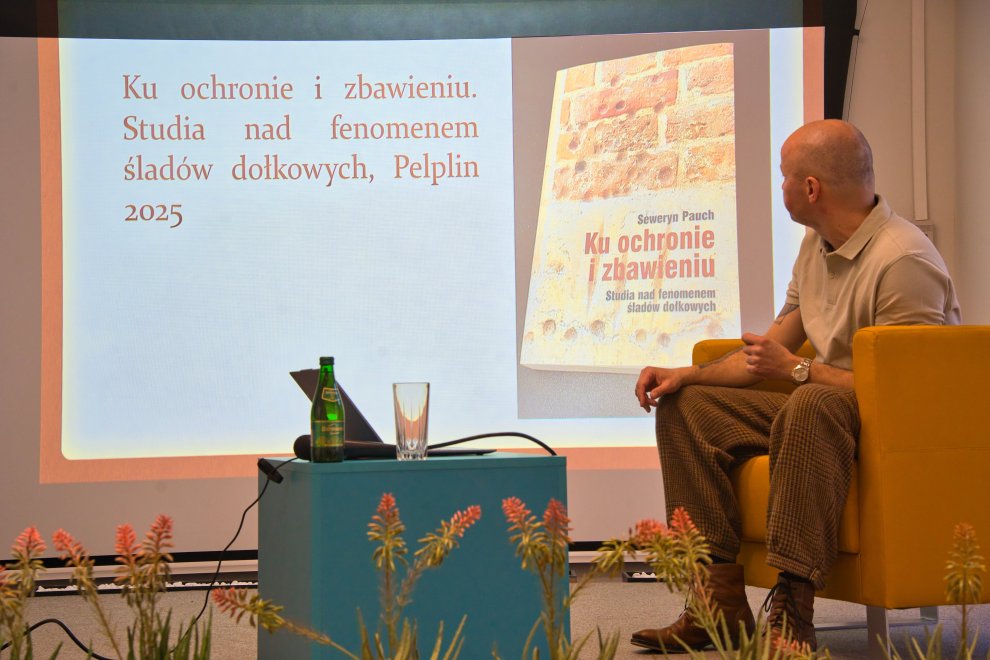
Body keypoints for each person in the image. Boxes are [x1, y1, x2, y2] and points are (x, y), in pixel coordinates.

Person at [631, 119, 961, 652]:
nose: (780, 185)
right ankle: (717, 604)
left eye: (784, 176)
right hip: (824, 411)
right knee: (687, 406)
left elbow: (906, 392)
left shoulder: (904, 261)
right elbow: (769, 353)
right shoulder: (817, 244)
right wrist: (684, 376)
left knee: (812, 401)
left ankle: (793, 606)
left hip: (895, 431)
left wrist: (799, 371)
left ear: (810, 189)